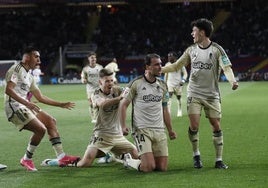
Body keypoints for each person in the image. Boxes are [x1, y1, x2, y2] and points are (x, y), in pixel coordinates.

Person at [161, 18, 239, 169]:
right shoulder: (191, 50)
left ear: (202, 33)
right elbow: (177, 65)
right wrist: (159, 69)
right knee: (194, 125)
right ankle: (196, 155)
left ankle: (218, 160)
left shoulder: (217, 49)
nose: (192, 34)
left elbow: (226, 67)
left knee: (216, 125)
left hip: (211, 94)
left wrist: (233, 81)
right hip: (194, 93)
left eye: (194, 31)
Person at [4, 46, 80, 171]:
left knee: (51, 121)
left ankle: (61, 157)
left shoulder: (30, 75)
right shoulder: (16, 69)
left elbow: (40, 97)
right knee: (40, 129)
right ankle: (26, 159)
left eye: (39, 57)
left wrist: (60, 104)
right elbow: (9, 90)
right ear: (27, 57)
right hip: (14, 106)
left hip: (25, 105)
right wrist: (27, 103)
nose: (39, 59)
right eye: (36, 56)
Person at [119, 53, 177, 172]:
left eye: (161, 64)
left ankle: (143, 159)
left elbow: (165, 109)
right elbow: (123, 105)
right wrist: (123, 126)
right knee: (148, 167)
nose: (160, 67)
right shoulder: (136, 83)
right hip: (142, 129)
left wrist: (170, 130)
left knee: (162, 168)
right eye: (156, 64)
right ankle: (129, 161)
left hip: (159, 130)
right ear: (147, 67)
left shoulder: (162, 85)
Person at [76, 68, 138, 167]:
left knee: (136, 155)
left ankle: (118, 157)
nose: (110, 83)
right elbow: (103, 104)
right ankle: (67, 162)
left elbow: (131, 93)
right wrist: (120, 98)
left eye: (111, 80)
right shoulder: (95, 94)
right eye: (107, 81)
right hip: (101, 135)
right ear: (100, 82)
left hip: (118, 136)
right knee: (85, 163)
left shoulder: (117, 90)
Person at [81, 51, 103, 124]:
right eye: (92, 58)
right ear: (89, 59)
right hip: (90, 88)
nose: (93, 59)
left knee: (98, 103)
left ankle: (97, 118)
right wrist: (84, 80)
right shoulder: (85, 69)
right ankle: (93, 118)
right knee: (91, 103)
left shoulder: (100, 67)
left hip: (99, 88)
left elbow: (103, 76)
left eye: (94, 58)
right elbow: (83, 78)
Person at [164, 51, 188, 117]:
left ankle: (179, 110)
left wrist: (183, 80)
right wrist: (165, 83)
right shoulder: (167, 64)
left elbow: (185, 74)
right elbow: (166, 75)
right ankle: (168, 112)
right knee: (169, 97)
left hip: (178, 84)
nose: (169, 58)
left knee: (178, 97)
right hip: (170, 83)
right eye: (168, 56)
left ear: (175, 57)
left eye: (170, 56)